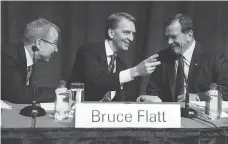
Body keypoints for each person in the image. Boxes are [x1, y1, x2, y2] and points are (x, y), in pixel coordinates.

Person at [70, 12, 161, 101]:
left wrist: (140, 100)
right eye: (126, 32)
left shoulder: (121, 64)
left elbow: (124, 97)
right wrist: (135, 71)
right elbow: (96, 82)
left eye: (133, 34)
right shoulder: (88, 51)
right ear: (111, 33)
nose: (131, 38)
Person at [141, 13, 228, 102]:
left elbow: (225, 91)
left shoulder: (214, 57)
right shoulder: (162, 58)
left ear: (189, 35)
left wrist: (198, 97)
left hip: (201, 113)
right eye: (167, 37)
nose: (169, 42)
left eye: (174, 37)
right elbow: (153, 91)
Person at [2, 18, 60, 104]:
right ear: (39, 43)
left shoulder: (26, 57)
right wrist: (57, 93)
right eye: (54, 43)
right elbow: (17, 94)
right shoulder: (8, 56)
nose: (56, 50)